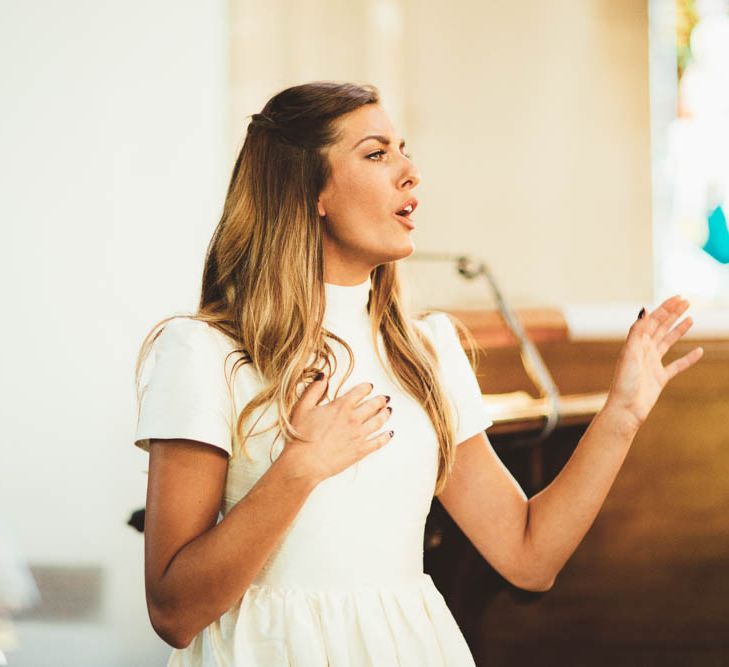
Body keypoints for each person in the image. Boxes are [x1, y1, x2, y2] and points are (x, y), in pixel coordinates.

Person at [132, 81, 704, 666]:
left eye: (404, 150)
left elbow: (529, 557)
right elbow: (173, 614)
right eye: (377, 154)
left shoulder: (427, 349)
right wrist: (298, 469)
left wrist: (622, 414)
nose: (410, 173)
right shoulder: (204, 351)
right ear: (308, 190)